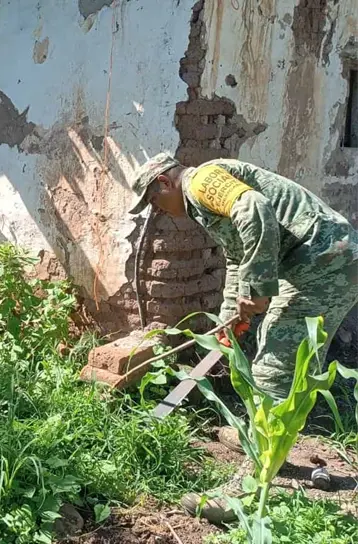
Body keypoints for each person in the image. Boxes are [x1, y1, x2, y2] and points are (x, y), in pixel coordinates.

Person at [129, 152, 358, 521]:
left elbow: (256, 209)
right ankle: (263, 438)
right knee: (278, 357)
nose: (158, 210)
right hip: (319, 263)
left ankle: (248, 487)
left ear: (165, 182)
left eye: (154, 200)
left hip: (324, 264)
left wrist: (260, 287)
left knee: (275, 366)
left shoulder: (202, 181)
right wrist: (227, 319)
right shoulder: (203, 202)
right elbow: (237, 256)